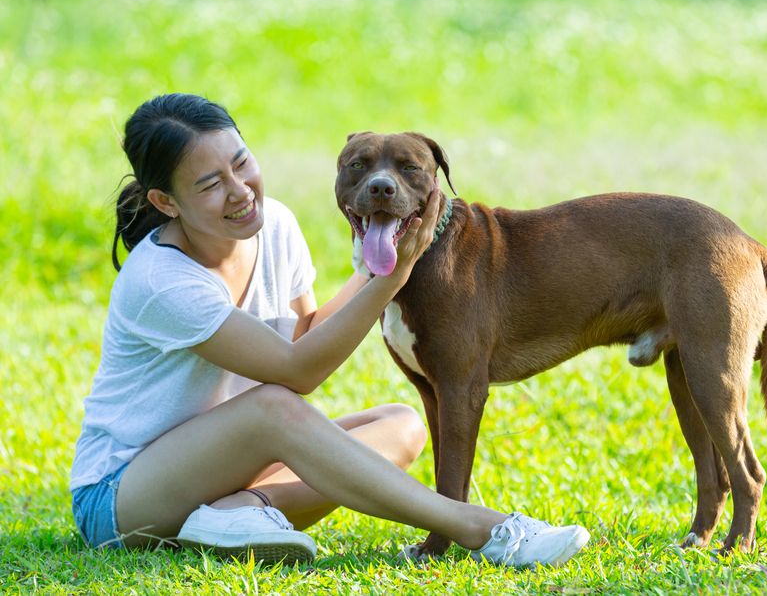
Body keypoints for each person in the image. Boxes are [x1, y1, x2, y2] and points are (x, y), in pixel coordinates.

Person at [69, 93, 590, 568]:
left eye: (241, 163)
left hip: (237, 467)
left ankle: (238, 514)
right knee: (273, 405)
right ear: (166, 202)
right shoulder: (162, 280)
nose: (238, 190)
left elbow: (305, 335)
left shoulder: (274, 224)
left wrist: (379, 258)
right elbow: (299, 370)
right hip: (123, 496)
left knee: (400, 423)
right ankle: (479, 527)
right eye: (210, 184)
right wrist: (396, 276)